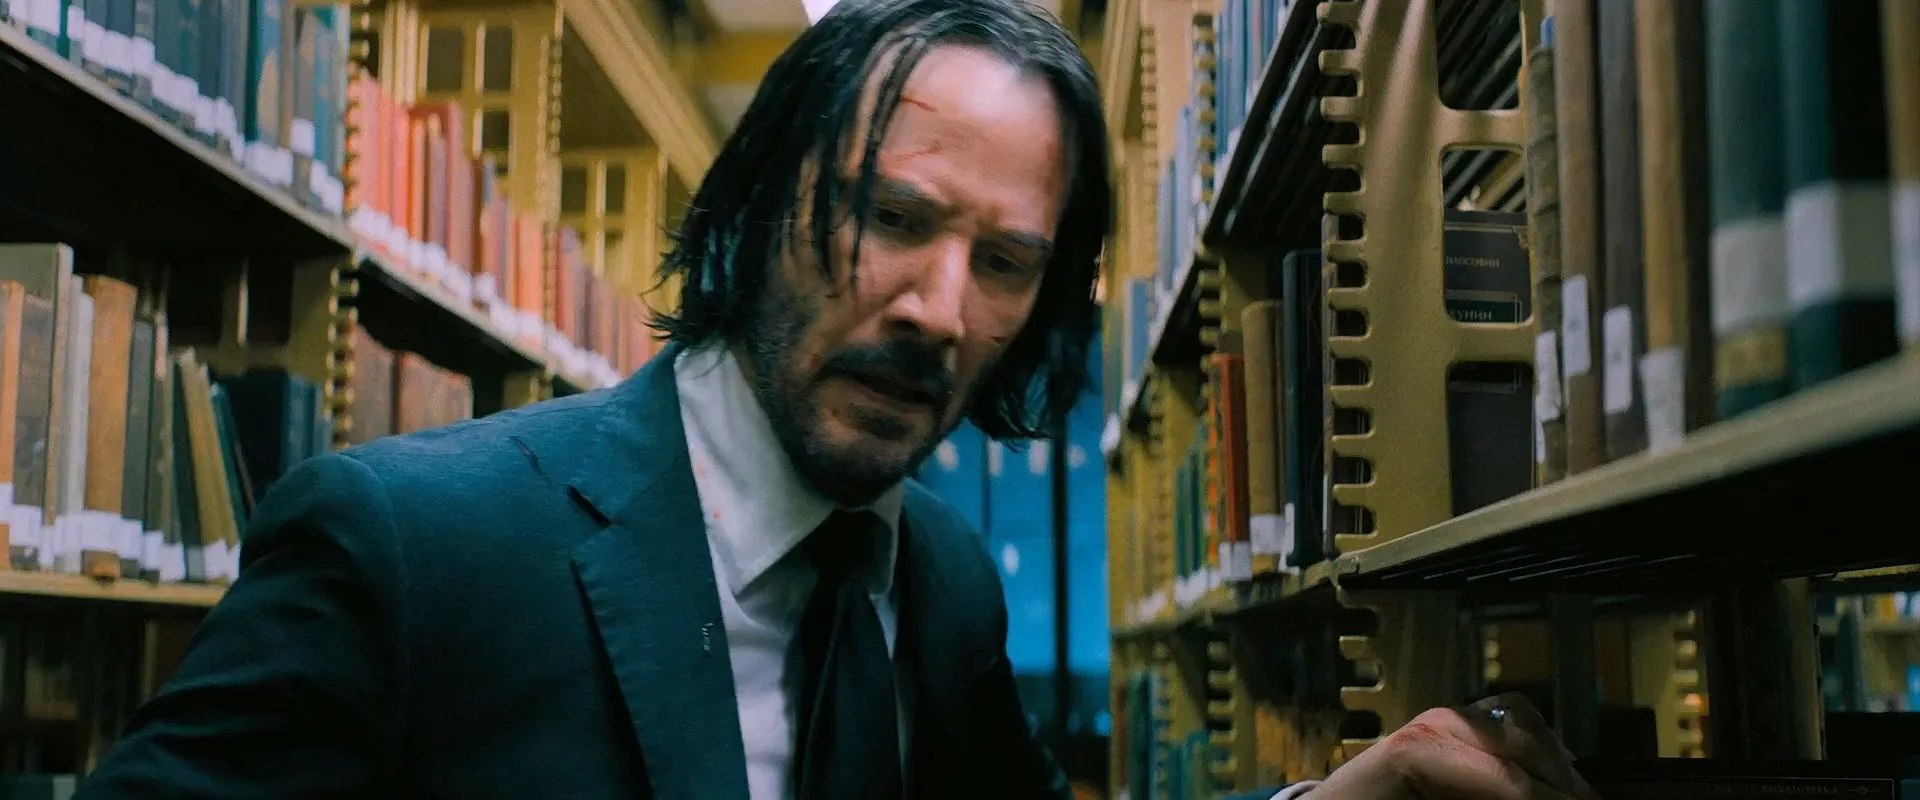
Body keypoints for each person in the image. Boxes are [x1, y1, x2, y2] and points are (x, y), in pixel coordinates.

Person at [76, 1, 1596, 798]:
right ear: (752, 212)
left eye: (1006, 263)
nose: (937, 308)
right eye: (889, 217)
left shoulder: (937, 579)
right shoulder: (407, 549)